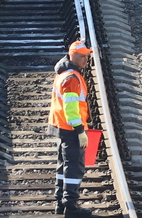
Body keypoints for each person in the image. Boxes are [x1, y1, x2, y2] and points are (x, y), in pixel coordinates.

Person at [50, 40, 95, 218]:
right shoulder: (72, 78)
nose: (86, 60)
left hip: (61, 126)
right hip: (70, 127)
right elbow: (71, 109)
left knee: (64, 164)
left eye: (87, 56)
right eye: (83, 56)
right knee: (74, 166)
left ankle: (60, 203)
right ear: (73, 56)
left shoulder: (65, 73)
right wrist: (79, 130)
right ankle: (71, 206)